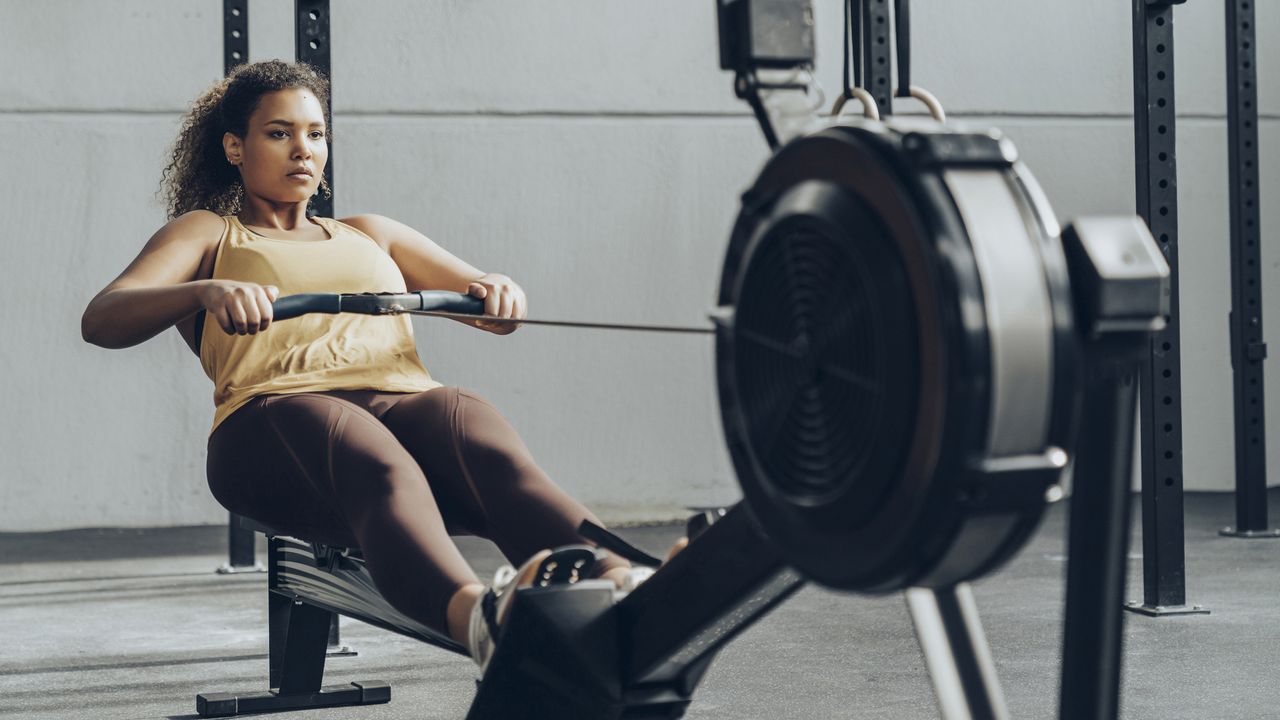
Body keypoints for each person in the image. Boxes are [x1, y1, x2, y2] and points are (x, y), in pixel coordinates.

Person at [80, 59, 662, 668]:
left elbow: (486, 301)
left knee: (467, 421)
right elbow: (103, 318)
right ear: (235, 146)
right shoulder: (209, 235)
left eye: (315, 133)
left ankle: (623, 583)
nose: (302, 149)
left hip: (396, 403)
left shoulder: (370, 234)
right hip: (273, 424)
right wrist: (206, 291)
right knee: (361, 444)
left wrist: (497, 290)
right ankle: (481, 622)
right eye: (279, 133)